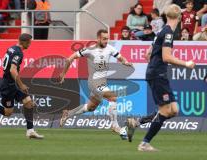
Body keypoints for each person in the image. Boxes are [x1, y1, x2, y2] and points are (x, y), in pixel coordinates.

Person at [138, 4, 195, 151]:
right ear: (180, 17)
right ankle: (144, 143)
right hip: (157, 74)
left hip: (157, 73)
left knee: (174, 109)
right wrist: (186, 64)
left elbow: (148, 53)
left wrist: (152, 57)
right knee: (165, 111)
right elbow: (166, 57)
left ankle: (138, 121)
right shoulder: (168, 33)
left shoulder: (162, 30)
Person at [58, 29, 133, 140]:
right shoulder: (90, 50)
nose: (106, 41)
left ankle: (68, 113)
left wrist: (125, 62)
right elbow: (70, 58)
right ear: (98, 38)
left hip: (102, 82)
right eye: (104, 39)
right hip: (93, 82)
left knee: (91, 106)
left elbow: (121, 58)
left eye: (107, 38)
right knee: (113, 97)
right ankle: (115, 126)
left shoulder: (110, 48)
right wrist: (63, 73)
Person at [0, 33, 44, 139]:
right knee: (7, 112)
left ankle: (30, 131)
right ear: (24, 42)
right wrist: (22, 85)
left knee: (28, 103)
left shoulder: (11, 48)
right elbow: (12, 70)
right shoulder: (19, 53)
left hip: (11, 84)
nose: (30, 44)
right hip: (8, 86)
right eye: (29, 42)